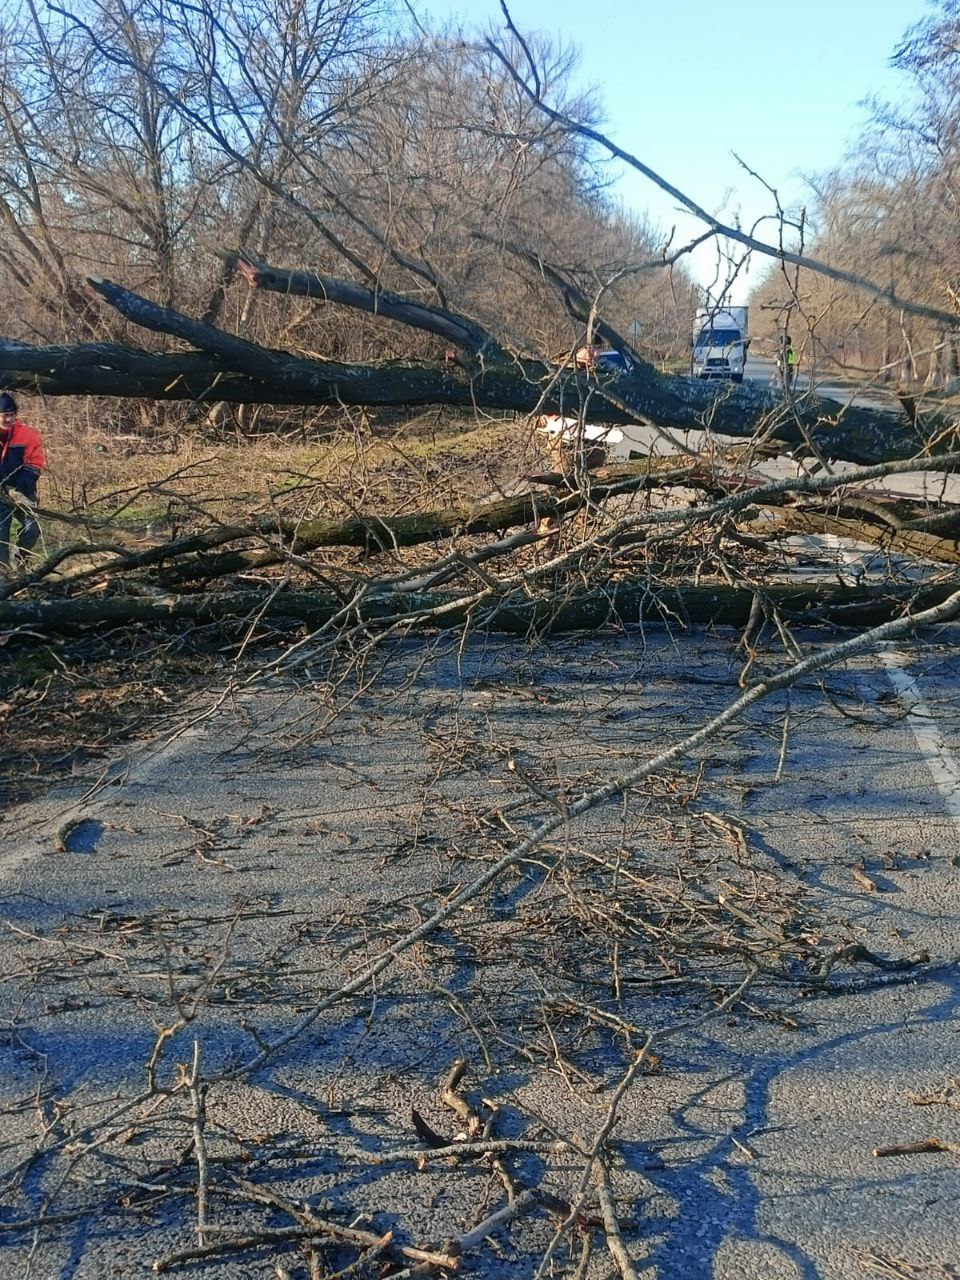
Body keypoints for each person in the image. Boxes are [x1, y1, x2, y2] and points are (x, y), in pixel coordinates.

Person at [0, 392, 45, 572]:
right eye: (4, 415)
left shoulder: (27, 435)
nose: (9, 419)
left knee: (33, 528)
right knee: (1, 535)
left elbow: (35, 461)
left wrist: (25, 481)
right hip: (0, 494)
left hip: (23, 490)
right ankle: (3, 573)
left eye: (12, 415)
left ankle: (18, 560)